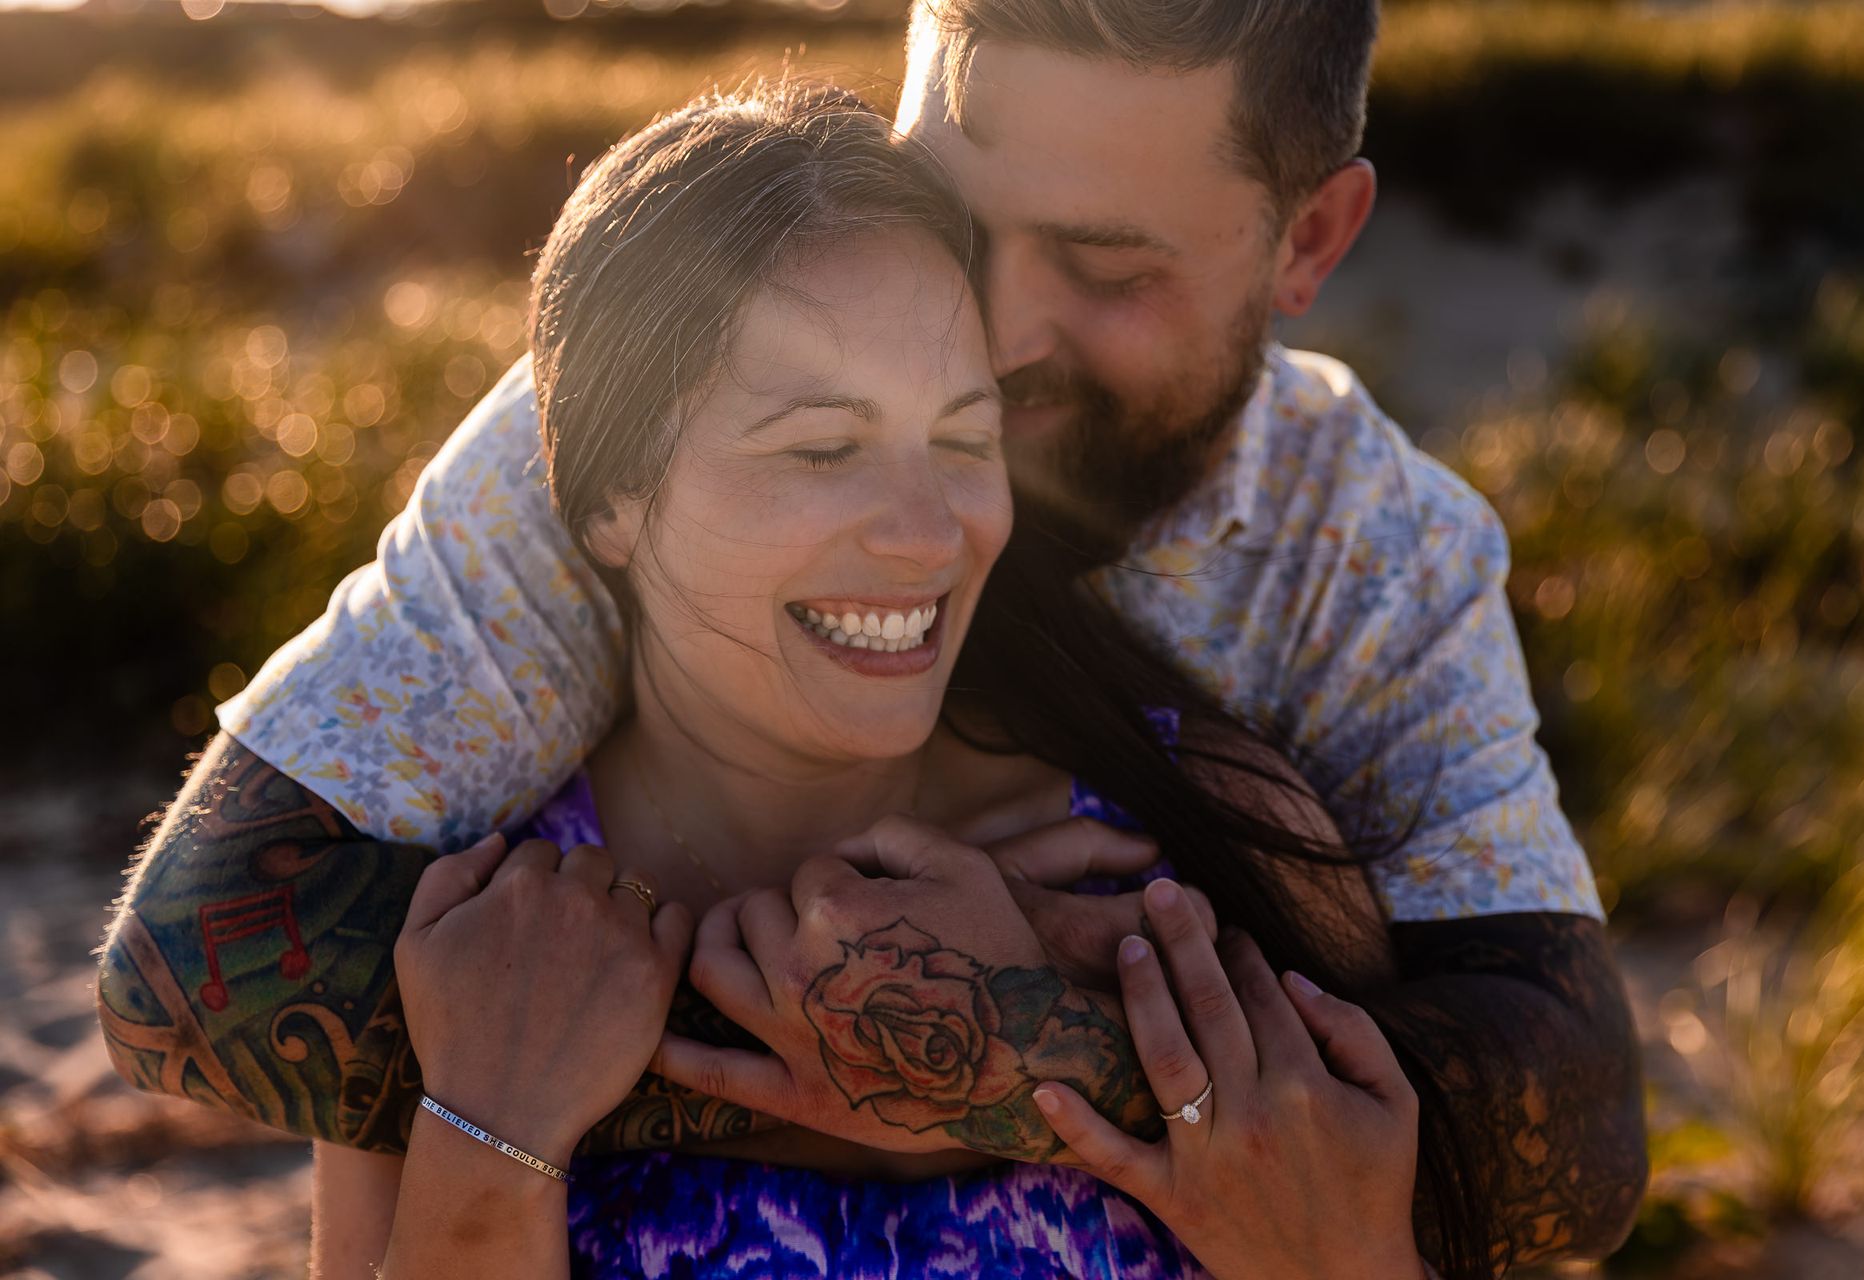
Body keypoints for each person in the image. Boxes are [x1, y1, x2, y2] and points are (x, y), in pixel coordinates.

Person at [95, 0, 1648, 1272]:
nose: (1001, 328)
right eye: (954, 218)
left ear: (1310, 240)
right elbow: (198, 960)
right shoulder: (643, 420)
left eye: (1105, 267)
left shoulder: (1366, 557)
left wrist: (1012, 1045)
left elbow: (1569, 1130)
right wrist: (885, 1026)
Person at [323, 81, 1440, 1278]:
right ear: (607, 501)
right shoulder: (479, 946)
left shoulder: (1195, 852)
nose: (928, 534)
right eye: (823, 448)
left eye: (963, 439)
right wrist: (493, 1135)